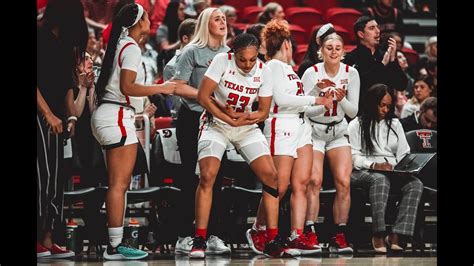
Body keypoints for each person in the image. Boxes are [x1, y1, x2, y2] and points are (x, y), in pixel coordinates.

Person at [90, 3, 192, 260]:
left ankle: (115, 242)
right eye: (147, 17)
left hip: (109, 114)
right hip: (116, 116)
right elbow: (128, 85)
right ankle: (114, 246)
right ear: (137, 22)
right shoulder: (132, 47)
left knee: (117, 185)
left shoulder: (119, 44)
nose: (150, 20)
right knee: (118, 185)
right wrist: (162, 88)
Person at [191, 33, 298, 258]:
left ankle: (272, 239)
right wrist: (226, 116)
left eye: (252, 59)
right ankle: (199, 238)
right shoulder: (222, 60)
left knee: (272, 178)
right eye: (242, 60)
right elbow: (202, 96)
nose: (248, 64)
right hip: (216, 123)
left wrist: (242, 119)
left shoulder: (264, 70)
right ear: (233, 55)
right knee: (208, 175)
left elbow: (263, 112)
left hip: (245, 125)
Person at [246, 18, 332, 256]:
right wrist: (315, 98)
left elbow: (302, 106)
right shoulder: (272, 66)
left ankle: (296, 234)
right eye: (290, 43)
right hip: (280, 126)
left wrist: (324, 98)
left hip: (300, 127)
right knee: (278, 187)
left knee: (301, 184)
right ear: (285, 44)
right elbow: (283, 101)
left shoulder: (290, 71)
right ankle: (258, 228)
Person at [171, 7, 230, 256]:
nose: (223, 22)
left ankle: (212, 235)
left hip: (218, 120)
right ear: (206, 23)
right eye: (217, 19)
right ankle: (184, 235)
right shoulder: (191, 51)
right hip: (192, 118)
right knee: (188, 176)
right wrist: (204, 96)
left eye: (224, 19)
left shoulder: (230, 54)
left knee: (217, 177)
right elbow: (176, 87)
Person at [37, 0, 88, 258]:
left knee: (57, 179)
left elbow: (69, 92)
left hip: (57, 118)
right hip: (41, 114)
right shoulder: (39, 37)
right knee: (41, 177)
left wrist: (71, 117)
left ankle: (48, 237)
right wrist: (47, 114)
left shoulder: (66, 46)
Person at [301, 33, 360, 254]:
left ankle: (339, 234)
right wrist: (322, 100)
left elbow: (353, 112)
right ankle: (310, 231)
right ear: (321, 51)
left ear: (343, 51)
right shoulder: (311, 73)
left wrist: (341, 98)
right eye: (329, 48)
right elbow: (304, 107)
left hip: (338, 130)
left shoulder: (351, 73)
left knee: (344, 182)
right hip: (314, 129)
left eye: (337, 48)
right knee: (314, 181)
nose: (333, 51)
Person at [348, 83, 424, 253]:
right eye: (381, 105)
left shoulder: (395, 124)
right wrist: (374, 165)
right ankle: (379, 233)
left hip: (392, 171)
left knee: (415, 184)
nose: (385, 109)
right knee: (380, 179)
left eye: (388, 106)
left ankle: (397, 234)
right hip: (362, 171)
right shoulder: (357, 125)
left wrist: (402, 168)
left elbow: (404, 152)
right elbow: (353, 157)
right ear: (371, 103)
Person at [344, 16, 407, 111]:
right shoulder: (351, 58)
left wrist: (393, 60)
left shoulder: (386, 55)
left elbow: (401, 85)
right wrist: (382, 65)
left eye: (377, 27)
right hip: (362, 113)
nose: (378, 31)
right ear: (361, 34)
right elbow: (363, 85)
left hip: (386, 113)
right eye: (372, 28)